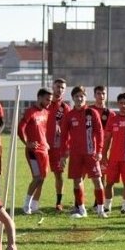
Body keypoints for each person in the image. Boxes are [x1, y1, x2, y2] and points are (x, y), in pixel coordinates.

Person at [59, 86, 107, 218]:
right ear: (73, 98)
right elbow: (63, 137)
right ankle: (81, 209)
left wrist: (100, 151)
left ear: (85, 98)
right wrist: (63, 155)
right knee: (77, 181)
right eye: (76, 97)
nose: (79, 99)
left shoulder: (92, 113)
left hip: (91, 154)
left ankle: (101, 210)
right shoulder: (69, 115)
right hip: (75, 154)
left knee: (97, 180)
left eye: (82, 96)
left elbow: (100, 133)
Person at [16, 88, 52, 215]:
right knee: (37, 178)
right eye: (47, 99)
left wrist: (46, 142)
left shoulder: (46, 112)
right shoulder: (30, 112)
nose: (49, 102)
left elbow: (43, 131)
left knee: (42, 178)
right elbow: (20, 129)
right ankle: (26, 206)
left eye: (50, 100)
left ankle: (34, 206)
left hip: (44, 150)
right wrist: (27, 143)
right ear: (39, 97)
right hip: (33, 151)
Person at [46, 78, 72, 211]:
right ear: (52, 87)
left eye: (62, 88)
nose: (59, 90)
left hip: (57, 147)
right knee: (39, 176)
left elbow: (69, 130)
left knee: (59, 174)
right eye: (57, 87)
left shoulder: (65, 108)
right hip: (43, 146)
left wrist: (66, 149)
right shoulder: (46, 104)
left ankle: (58, 202)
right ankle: (33, 204)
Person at [91, 85, 114, 213]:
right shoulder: (89, 111)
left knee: (101, 177)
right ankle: (78, 204)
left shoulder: (110, 114)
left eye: (103, 93)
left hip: (103, 151)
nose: (101, 96)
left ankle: (98, 203)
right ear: (94, 95)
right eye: (98, 93)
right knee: (82, 176)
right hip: (89, 149)